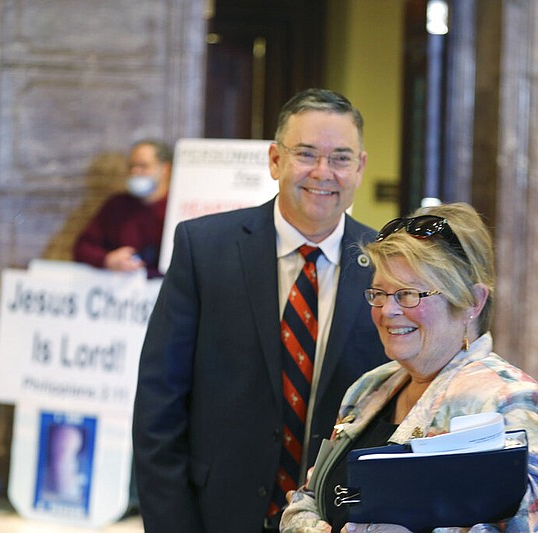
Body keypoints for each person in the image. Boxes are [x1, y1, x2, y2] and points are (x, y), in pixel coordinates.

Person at [132, 88, 388, 533]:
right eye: (306, 154)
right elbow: (159, 404)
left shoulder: (388, 265)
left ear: (360, 167)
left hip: (344, 519)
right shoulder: (204, 248)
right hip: (218, 514)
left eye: (341, 158)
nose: (323, 172)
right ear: (274, 160)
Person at [280, 202, 538, 533]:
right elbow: (310, 498)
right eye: (379, 293)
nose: (387, 311)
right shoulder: (368, 389)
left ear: (472, 301)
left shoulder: (510, 403)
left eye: (408, 295)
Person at [72, 139, 172, 278]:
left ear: (165, 169)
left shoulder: (177, 206)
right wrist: (107, 259)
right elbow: (82, 248)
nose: (135, 171)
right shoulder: (117, 205)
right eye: (132, 166)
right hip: (121, 293)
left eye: (143, 166)